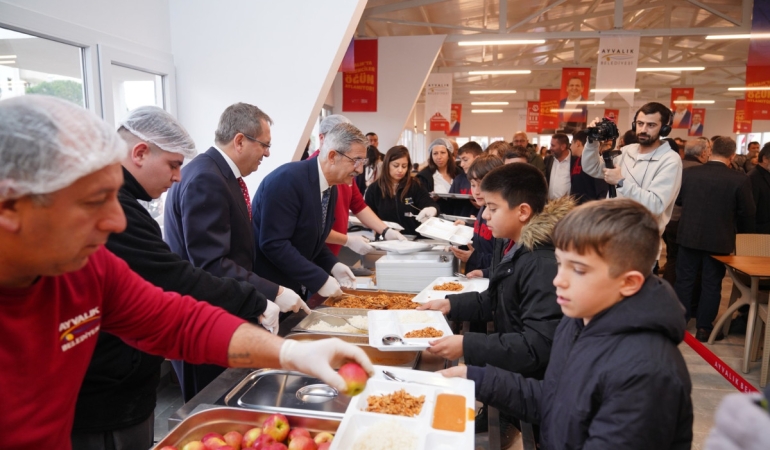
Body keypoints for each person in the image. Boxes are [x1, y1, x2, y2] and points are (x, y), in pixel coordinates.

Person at [0, 95, 374, 449]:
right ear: (10, 206)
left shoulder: (90, 268)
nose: (116, 221)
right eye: (94, 201)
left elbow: (178, 321)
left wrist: (292, 353)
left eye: (115, 197)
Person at [70, 106, 292, 447]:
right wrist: (259, 300)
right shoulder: (130, 209)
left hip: (127, 385)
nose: (178, 177)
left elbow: (169, 315)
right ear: (140, 152)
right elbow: (183, 274)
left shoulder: (124, 208)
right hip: (106, 398)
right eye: (174, 165)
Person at [440, 198, 694, 449]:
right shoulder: (578, 320)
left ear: (628, 282)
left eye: (579, 270)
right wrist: (475, 377)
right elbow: (556, 401)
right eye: (561, 264)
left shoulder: (647, 374)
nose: (558, 280)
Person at [164, 103, 302, 309]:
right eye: (265, 145)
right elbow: (211, 264)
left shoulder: (218, 173)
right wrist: (274, 292)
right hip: (207, 307)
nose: (267, 154)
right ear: (239, 141)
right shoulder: (207, 179)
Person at [252, 123, 366, 299]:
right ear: (332, 156)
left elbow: (311, 239)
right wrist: (319, 279)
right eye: (355, 161)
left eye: (363, 162)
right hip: (271, 292)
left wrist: (332, 265)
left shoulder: (331, 186)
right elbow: (273, 243)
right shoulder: (288, 180)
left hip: (296, 289)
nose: (359, 169)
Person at [675, 137, 755, 341]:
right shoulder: (739, 179)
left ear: (710, 151)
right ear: (732, 155)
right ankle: (704, 328)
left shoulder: (689, 173)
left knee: (684, 280)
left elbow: (680, 200)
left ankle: (679, 323)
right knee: (712, 283)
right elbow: (747, 211)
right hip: (719, 238)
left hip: (689, 235)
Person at [582, 102, 683, 238]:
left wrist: (621, 182)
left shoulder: (670, 160)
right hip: (611, 233)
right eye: (640, 124)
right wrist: (592, 142)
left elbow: (656, 205)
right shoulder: (626, 151)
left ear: (664, 129)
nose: (643, 130)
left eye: (651, 125)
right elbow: (592, 168)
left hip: (640, 242)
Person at [311, 116, 404, 258]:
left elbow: (358, 205)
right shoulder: (313, 172)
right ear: (323, 138)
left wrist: (386, 231)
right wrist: (347, 240)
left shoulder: (347, 170)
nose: (359, 170)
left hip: (331, 254)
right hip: (315, 253)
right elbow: (313, 227)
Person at [662, 138, 710, 288]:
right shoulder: (702, 172)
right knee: (688, 265)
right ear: (702, 153)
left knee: (672, 259)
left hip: (668, 219)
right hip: (686, 223)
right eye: (708, 150)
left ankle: (665, 293)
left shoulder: (672, 166)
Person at [364, 145, 440, 236]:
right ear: (387, 164)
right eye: (395, 166)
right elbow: (367, 217)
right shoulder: (374, 189)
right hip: (386, 240)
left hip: (413, 239)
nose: (400, 170)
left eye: (404, 166)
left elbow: (430, 203)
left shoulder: (414, 185)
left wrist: (432, 209)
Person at [448, 154, 503, 273]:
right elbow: (482, 235)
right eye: (473, 185)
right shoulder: (483, 207)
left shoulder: (501, 217)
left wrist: (473, 258)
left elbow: (504, 262)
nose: (476, 192)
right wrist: (467, 227)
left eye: (482, 185)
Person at [568, 130, 609, 204]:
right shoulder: (575, 161)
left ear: (577, 143)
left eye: (572, 143)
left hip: (591, 209)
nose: (570, 147)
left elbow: (602, 191)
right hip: (578, 208)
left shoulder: (594, 163)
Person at [448, 141, 482, 217]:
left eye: (465, 160)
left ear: (477, 159)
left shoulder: (486, 178)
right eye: (461, 160)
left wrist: (483, 204)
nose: (461, 164)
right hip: (460, 221)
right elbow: (450, 203)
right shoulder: (458, 179)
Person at [544, 133, 576, 200]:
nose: (550, 148)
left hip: (568, 207)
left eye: (553, 145)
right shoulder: (548, 159)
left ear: (563, 147)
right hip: (549, 205)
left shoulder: (575, 161)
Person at [748, 143, 770, 234]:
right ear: (765, 159)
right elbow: (750, 211)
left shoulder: (766, 173)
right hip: (760, 232)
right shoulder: (752, 177)